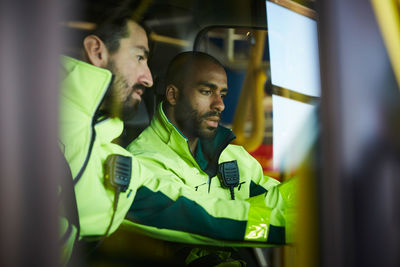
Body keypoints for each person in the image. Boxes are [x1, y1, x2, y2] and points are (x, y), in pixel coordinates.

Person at [124, 51, 297, 265]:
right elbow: (209, 219)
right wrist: (289, 226)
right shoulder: (143, 162)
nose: (220, 105)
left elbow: (270, 200)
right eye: (207, 91)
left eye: (223, 95)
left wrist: (319, 193)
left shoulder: (231, 156)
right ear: (173, 96)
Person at [58, 4, 155, 264]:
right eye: (139, 57)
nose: (149, 79)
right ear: (97, 51)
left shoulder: (106, 144)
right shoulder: (28, 117)